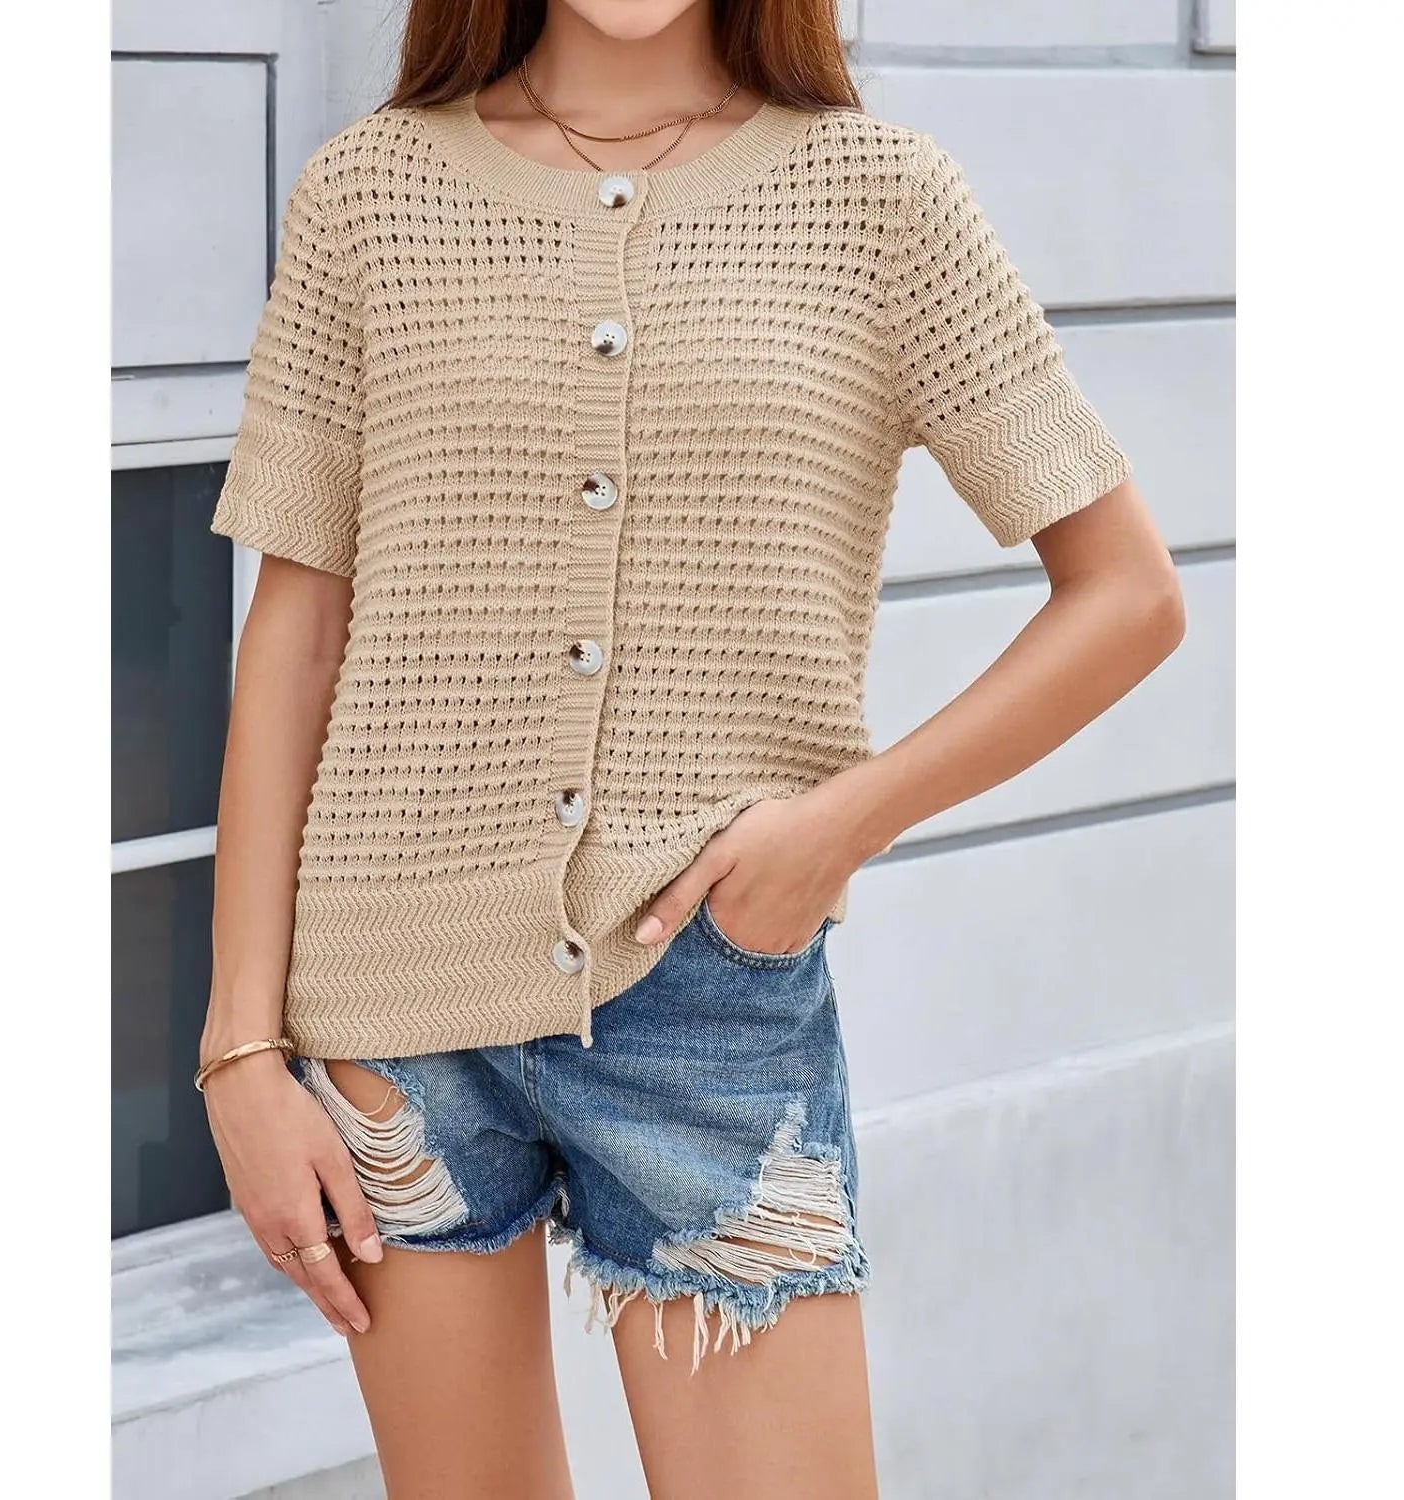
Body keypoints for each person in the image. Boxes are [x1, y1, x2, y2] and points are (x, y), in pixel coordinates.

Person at [197, 1, 1185, 1495]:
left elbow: (1127, 595)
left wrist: (839, 825)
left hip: (708, 994)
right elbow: (297, 634)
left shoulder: (879, 199)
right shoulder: (369, 195)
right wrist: (239, 1057)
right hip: (390, 1014)